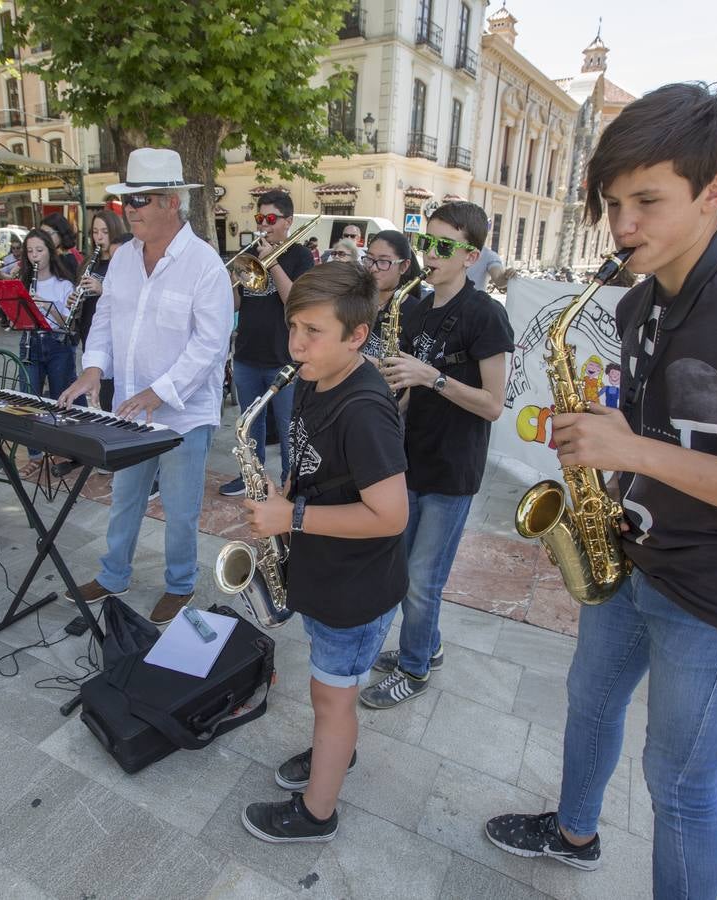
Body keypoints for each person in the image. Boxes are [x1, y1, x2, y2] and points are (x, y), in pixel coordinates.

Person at [483, 82, 717, 898]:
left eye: (647, 201)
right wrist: (596, 453)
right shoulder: (638, 303)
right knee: (588, 708)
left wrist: (638, 450)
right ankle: (574, 831)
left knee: (681, 788)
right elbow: (662, 439)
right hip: (628, 558)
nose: (622, 227)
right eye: (614, 203)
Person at [240, 261, 410, 845]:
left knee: (330, 700)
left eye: (312, 332)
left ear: (357, 336)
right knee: (328, 693)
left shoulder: (364, 410)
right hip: (326, 568)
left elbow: (391, 515)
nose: (295, 344)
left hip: (356, 586)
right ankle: (338, 753)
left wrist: (294, 516)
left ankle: (317, 814)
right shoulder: (313, 379)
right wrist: (286, 493)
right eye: (294, 328)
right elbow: (319, 469)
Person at [58, 148, 233, 625]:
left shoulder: (205, 265)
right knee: (125, 497)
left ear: (172, 201)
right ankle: (114, 574)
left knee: (179, 510)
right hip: (130, 410)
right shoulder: (123, 260)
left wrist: (161, 390)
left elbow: (211, 344)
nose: (129, 209)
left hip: (182, 411)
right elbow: (107, 319)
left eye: (140, 199)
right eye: (125, 201)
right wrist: (94, 367)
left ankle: (180, 584)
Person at [361, 202, 514, 710]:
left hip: (453, 469)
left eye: (443, 246)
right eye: (428, 243)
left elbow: (493, 405)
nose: (430, 254)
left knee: (424, 579)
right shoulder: (416, 309)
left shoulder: (486, 315)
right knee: (404, 570)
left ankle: (415, 668)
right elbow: (405, 392)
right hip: (410, 459)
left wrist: (433, 377)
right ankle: (425, 643)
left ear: (470, 255)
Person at [221, 189, 315, 497]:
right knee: (250, 423)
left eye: (271, 218)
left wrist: (271, 262)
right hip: (247, 354)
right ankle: (253, 477)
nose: (264, 224)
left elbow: (296, 301)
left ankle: (292, 481)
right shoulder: (249, 252)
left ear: (287, 221)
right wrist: (231, 279)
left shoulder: (299, 256)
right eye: (260, 218)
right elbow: (236, 304)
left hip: (283, 359)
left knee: (288, 427)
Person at [15, 227, 78, 481]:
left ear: (50, 253)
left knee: (60, 396)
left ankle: (62, 450)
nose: (34, 255)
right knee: (28, 398)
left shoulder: (63, 284)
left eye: (39, 250)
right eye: (29, 251)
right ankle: (35, 455)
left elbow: (68, 324)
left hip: (56, 343)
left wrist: (45, 307)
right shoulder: (21, 282)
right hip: (30, 340)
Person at [74, 209, 127, 411]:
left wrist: (101, 288)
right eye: (95, 232)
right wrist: (74, 300)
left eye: (104, 231)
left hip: (115, 332)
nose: (99, 237)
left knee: (112, 391)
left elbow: (128, 296)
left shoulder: (121, 259)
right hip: (90, 328)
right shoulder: (89, 263)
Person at [359, 230, 425, 363]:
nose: (373, 268)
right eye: (369, 259)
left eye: (383, 261)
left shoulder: (418, 313)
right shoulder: (353, 299)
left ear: (404, 266)